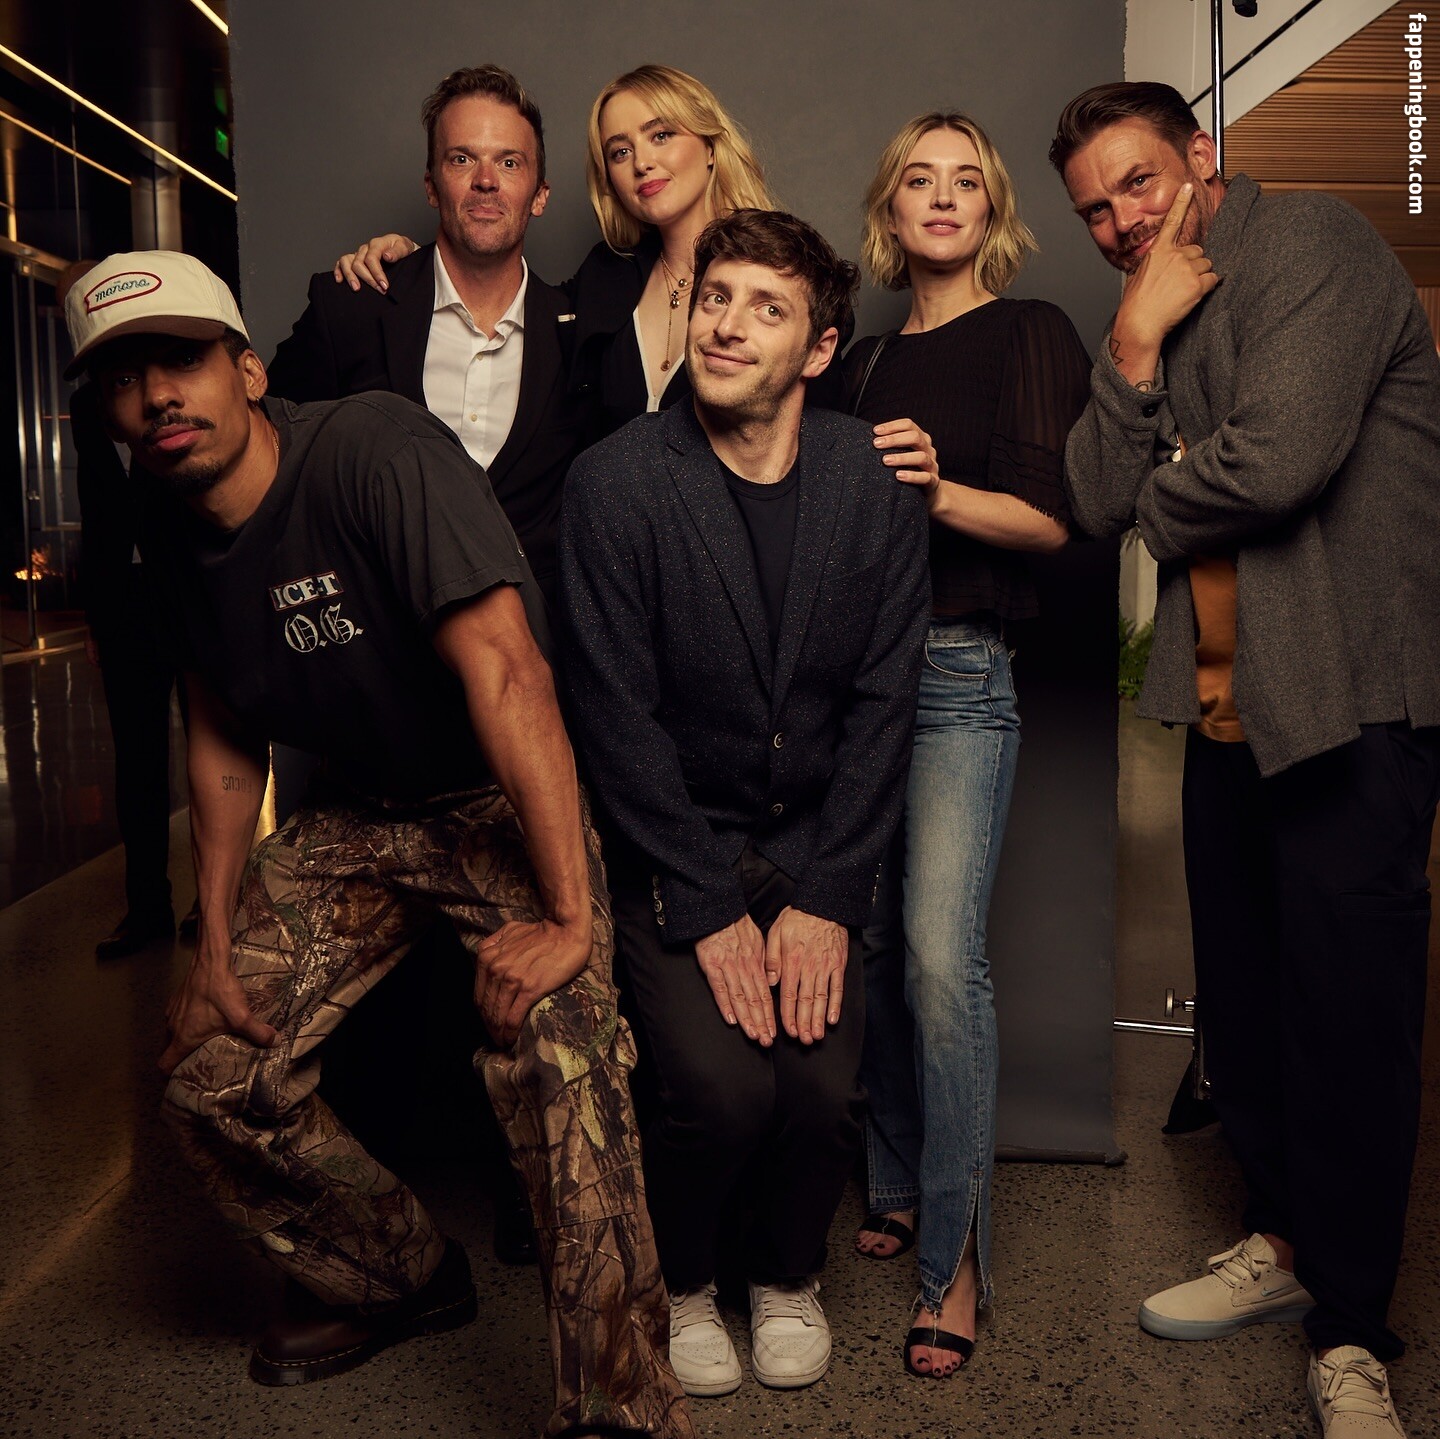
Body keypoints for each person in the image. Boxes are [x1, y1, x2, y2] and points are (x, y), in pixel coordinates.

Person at [63, 249, 694, 1439]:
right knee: (208, 1071)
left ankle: (620, 1409)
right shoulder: (161, 523)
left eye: (181, 362)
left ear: (249, 371)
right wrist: (212, 941)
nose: (157, 398)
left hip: (495, 797)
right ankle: (397, 1271)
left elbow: (510, 674)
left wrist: (570, 919)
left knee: (563, 1055)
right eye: (125, 381)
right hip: (362, 812)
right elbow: (219, 729)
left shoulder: (374, 450)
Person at [1053, 81, 1440, 1439]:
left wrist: (1156, 473)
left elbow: (1278, 464)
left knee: (1350, 1022)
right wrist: (1132, 345)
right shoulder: (1153, 306)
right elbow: (1089, 499)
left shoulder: (1313, 243)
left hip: (1354, 700)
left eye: (1139, 182)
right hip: (1232, 710)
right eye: (1095, 206)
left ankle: (1354, 1331)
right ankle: (1284, 1245)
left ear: (1201, 156)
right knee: (1251, 1010)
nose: (1121, 218)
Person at [558, 208, 931, 1399]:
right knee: (719, 1093)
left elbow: (885, 702)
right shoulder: (615, 482)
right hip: (680, 840)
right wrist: (709, 902)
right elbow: (614, 717)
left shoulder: (871, 481)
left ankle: (784, 1273)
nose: (726, 325)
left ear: (818, 350)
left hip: (816, 838)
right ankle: (683, 1282)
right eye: (714, 298)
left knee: (819, 1092)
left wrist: (828, 895)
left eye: (767, 308)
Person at [844, 111, 1091, 1380]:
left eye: (965, 182)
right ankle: (894, 1177)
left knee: (944, 960)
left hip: (956, 672)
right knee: (879, 950)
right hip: (853, 688)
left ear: (991, 207)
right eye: (918, 181)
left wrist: (937, 489)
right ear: (890, 211)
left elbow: (1055, 520)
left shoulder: (1031, 330)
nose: (942, 199)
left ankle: (955, 1259)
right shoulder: (861, 361)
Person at [332, 63, 854, 435]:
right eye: (620, 151)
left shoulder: (790, 276)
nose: (641, 163)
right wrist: (409, 259)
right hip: (619, 546)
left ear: (711, 147)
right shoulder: (605, 277)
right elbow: (501, 297)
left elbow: (820, 432)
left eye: (661, 135)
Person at [268, 65, 585, 604]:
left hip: (532, 640)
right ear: (432, 186)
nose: (486, 180)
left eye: (509, 162)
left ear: (540, 195)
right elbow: (261, 452)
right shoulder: (350, 309)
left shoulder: (578, 332)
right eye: (462, 159)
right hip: (377, 635)